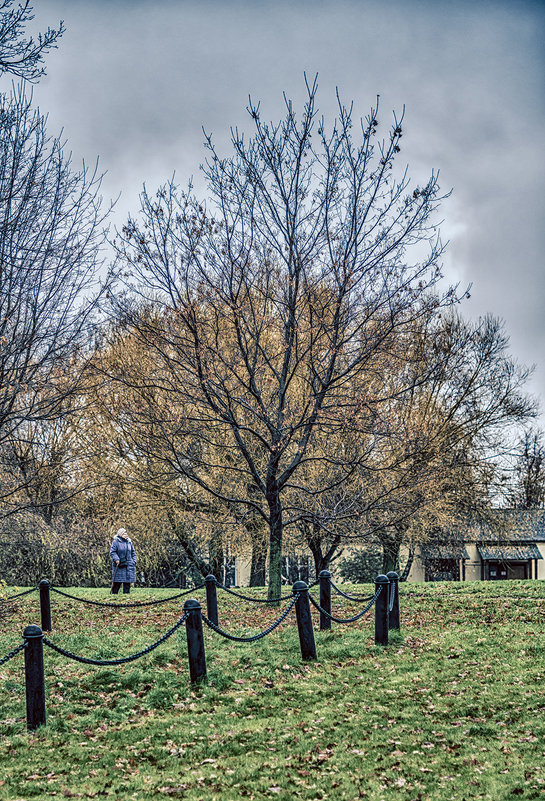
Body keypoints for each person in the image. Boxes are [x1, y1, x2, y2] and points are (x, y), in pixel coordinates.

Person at [110, 527, 137, 594]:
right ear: (120, 534)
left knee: (127, 582)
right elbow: (112, 552)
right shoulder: (115, 542)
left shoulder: (129, 542)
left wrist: (134, 561)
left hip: (129, 565)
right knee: (117, 582)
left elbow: (133, 552)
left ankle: (126, 596)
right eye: (124, 533)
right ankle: (114, 595)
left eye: (126, 533)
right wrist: (116, 559)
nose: (126, 534)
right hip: (119, 565)